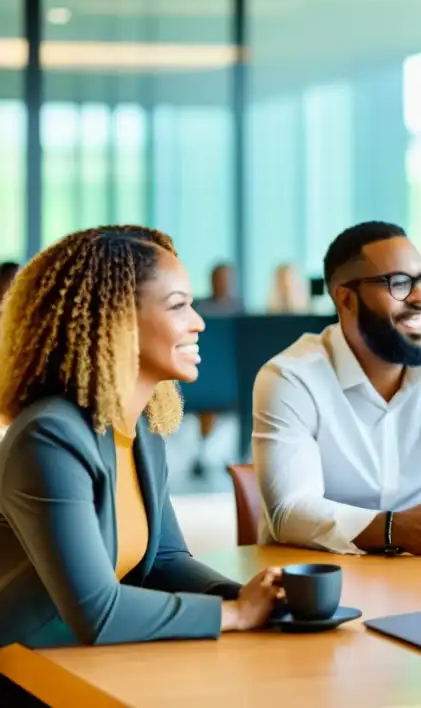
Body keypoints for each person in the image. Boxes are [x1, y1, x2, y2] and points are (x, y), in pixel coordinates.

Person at [0, 226, 283, 650]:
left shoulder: (143, 426)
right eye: (178, 307)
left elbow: (165, 561)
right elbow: (98, 613)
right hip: (27, 665)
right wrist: (237, 614)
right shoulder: (49, 436)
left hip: (87, 658)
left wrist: (253, 596)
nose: (199, 322)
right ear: (116, 322)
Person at [251, 221, 421, 556]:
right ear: (346, 299)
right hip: (316, 582)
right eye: (399, 283)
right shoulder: (290, 377)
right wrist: (395, 528)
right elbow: (289, 512)